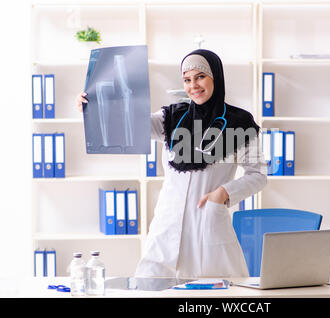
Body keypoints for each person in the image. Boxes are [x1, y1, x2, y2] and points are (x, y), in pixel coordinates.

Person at [76, 49, 267, 278]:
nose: (193, 85)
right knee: (151, 288)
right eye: (187, 79)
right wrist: (93, 107)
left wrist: (223, 193)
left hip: (208, 225)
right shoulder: (172, 117)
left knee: (216, 295)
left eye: (200, 77)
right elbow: (130, 124)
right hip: (166, 226)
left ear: (215, 77)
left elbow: (258, 175)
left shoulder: (240, 122)